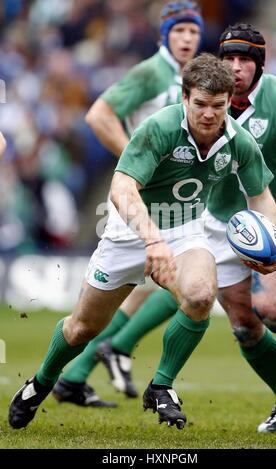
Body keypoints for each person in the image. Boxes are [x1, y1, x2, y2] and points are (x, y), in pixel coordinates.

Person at [8, 53, 276, 430]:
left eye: (218, 106)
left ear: (227, 103)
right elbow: (122, 188)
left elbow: (261, 195)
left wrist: (273, 242)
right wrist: (152, 241)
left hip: (186, 230)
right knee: (82, 329)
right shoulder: (158, 128)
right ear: (184, 98)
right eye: (200, 104)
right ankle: (40, 383)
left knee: (200, 295)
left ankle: (162, 385)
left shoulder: (239, 141)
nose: (209, 114)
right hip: (128, 232)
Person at [143, 23, 276, 433]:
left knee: (271, 310)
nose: (235, 67)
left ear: (259, 65)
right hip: (223, 222)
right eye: (228, 58)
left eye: (245, 60)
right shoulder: (207, 100)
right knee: (245, 324)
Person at [52, 1, 204, 404]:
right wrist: (136, 163)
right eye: (179, 31)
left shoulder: (187, 78)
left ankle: (78, 373)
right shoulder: (152, 72)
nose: (187, 38)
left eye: (193, 32)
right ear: (164, 35)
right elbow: (99, 115)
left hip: (173, 200)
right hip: (143, 201)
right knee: (181, 287)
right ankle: (100, 357)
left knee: (157, 290)